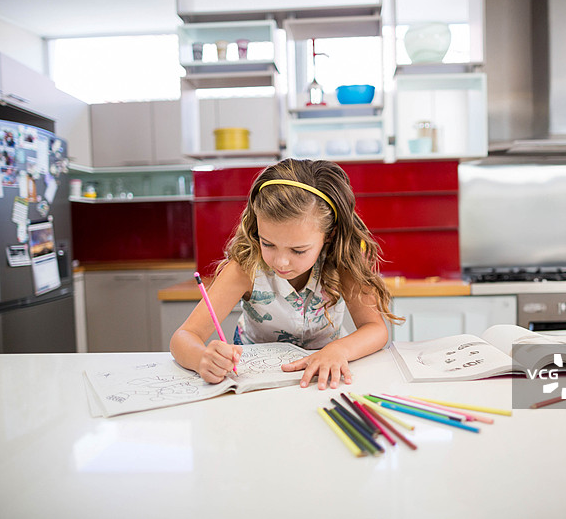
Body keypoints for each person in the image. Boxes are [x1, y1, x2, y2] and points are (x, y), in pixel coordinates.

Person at [170, 158, 402, 389]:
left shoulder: (342, 263)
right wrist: (202, 359)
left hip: (323, 374)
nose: (280, 261)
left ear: (328, 235)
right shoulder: (245, 268)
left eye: (298, 250)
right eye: (267, 243)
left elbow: (376, 329)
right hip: (254, 379)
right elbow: (183, 337)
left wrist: (338, 349)